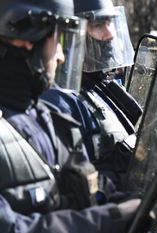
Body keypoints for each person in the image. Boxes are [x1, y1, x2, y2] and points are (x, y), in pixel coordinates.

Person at [0, 0, 141, 233]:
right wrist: (111, 219)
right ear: (25, 39)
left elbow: (87, 188)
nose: (62, 56)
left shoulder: (48, 120)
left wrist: (144, 201)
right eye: (58, 42)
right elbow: (12, 232)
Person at [41, 0, 137, 192]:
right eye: (98, 24)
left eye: (110, 22)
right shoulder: (58, 100)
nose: (110, 33)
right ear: (69, 35)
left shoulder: (98, 86)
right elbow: (74, 184)